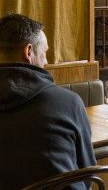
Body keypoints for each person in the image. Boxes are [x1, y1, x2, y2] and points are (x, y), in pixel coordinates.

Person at [0, 13, 96, 190]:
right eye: (44, 53)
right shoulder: (69, 102)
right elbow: (89, 173)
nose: (46, 62)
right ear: (28, 52)